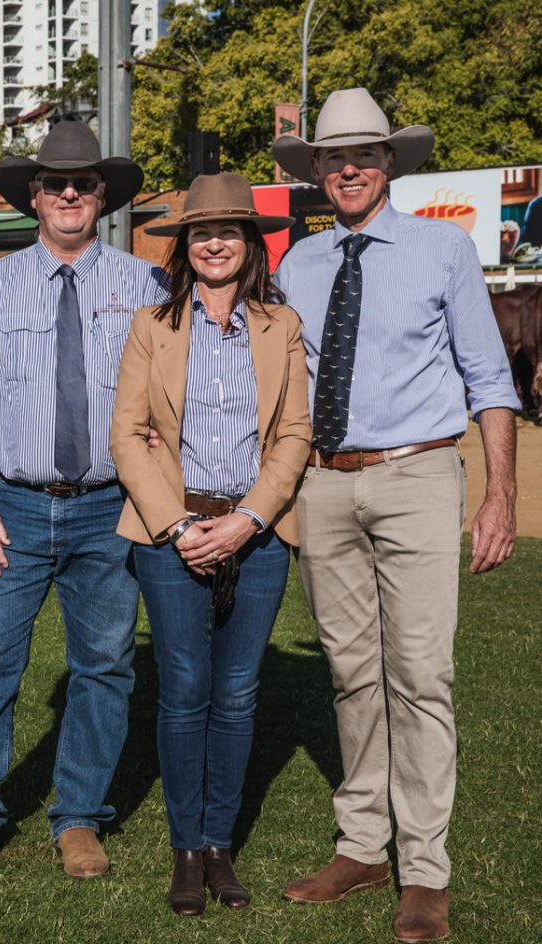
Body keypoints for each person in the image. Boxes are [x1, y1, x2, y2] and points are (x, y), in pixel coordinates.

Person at [271, 88, 519, 942]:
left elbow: (491, 381)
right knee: (351, 672)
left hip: (417, 476)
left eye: (363, 155)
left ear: (389, 164)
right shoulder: (296, 266)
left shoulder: (443, 249)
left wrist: (500, 495)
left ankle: (425, 869)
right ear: (314, 171)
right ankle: (363, 843)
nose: (347, 168)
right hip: (323, 486)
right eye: (333, 157)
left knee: (421, 675)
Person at [0, 119, 166, 880]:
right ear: (34, 197)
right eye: (56, 182)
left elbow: (169, 390)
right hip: (12, 506)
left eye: (85, 182)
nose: (69, 192)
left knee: (104, 664)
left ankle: (80, 818)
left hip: (108, 508)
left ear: (102, 196)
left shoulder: (143, 285)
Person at [109, 173, 310, 916]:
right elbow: (127, 435)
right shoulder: (150, 325)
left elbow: (294, 433)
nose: (216, 243)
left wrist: (250, 518)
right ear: (185, 246)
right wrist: (178, 525)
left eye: (229, 231)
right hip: (172, 535)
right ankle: (185, 850)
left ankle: (221, 844)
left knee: (237, 693)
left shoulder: (278, 327)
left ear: (250, 245)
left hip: (256, 535)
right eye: (202, 232)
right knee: (185, 691)